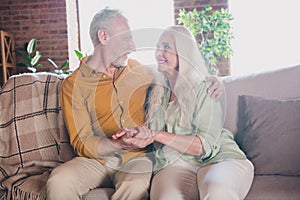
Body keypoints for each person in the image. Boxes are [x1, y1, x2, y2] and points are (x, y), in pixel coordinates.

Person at [46, 8, 222, 200]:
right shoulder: (73, 84)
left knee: (134, 184)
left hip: (137, 158)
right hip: (95, 161)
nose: (133, 46)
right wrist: (117, 143)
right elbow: (82, 141)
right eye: (127, 38)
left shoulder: (141, 71)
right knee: (59, 180)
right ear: (104, 36)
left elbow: (179, 71)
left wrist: (214, 80)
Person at [113, 25, 254, 200]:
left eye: (166, 47)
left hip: (219, 158)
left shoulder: (205, 87)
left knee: (218, 192)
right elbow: (150, 135)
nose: (158, 53)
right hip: (175, 164)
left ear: (183, 53)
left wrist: (156, 134)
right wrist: (136, 135)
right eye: (157, 47)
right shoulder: (157, 90)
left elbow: (203, 146)